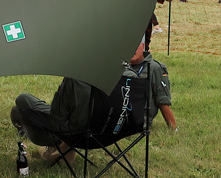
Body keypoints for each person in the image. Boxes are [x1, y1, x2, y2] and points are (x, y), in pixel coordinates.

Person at [11, 40, 177, 166]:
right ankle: (57, 140)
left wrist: (173, 128)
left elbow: (163, 101)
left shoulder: (154, 68)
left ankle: (59, 142)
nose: (131, 49)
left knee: (24, 102)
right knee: (22, 110)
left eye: (136, 45)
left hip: (91, 127)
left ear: (144, 46)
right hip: (106, 126)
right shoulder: (117, 67)